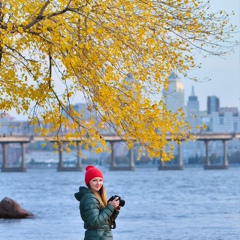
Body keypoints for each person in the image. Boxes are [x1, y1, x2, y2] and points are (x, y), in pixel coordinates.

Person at [74, 165, 121, 240]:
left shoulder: (98, 197)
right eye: (94, 180)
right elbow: (96, 222)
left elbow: (106, 223)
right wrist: (110, 207)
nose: (98, 183)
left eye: (100, 180)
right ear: (88, 182)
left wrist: (114, 210)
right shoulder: (89, 199)